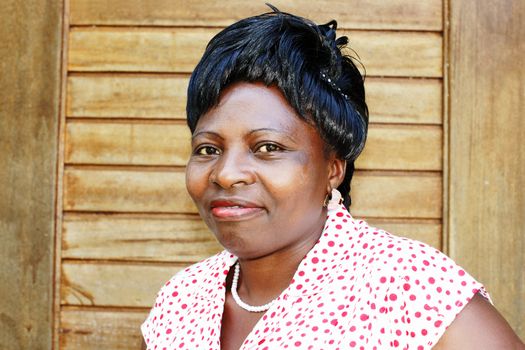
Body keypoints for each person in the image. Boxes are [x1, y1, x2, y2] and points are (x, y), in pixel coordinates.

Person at [141, 7, 524, 350]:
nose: (225, 174)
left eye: (268, 148)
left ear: (333, 169)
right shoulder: (181, 299)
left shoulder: (406, 287)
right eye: (208, 149)